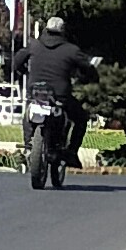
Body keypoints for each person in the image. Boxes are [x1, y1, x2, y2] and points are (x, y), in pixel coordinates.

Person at [24, 14, 89, 187]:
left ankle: (28, 144)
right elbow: (88, 69)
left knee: (28, 112)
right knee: (82, 118)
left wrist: (23, 72)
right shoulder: (71, 50)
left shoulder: (34, 46)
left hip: (36, 94)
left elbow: (16, 63)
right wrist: (89, 78)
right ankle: (71, 152)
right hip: (60, 97)